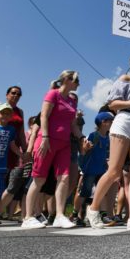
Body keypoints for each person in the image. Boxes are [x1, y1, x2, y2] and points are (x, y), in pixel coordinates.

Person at [86, 56, 130, 231]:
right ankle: (93, 208)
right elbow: (113, 104)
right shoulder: (124, 79)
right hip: (123, 120)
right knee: (114, 170)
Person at [22, 71, 82, 229]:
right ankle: (28, 217)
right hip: (46, 142)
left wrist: (82, 138)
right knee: (39, 178)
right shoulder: (52, 94)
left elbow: (73, 125)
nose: (78, 83)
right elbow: (44, 116)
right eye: (76, 80)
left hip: (64, 143)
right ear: (67, 80)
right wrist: (46, 138)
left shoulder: (72, 101)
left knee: (64, 178)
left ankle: (60, 215)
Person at [0, 86, 27, 219]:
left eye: (19, 94)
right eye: (13, 93)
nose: (16, 96)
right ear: (7, 94)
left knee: (2, 180)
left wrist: (25, 149)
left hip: (13, 149)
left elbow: (21, 131)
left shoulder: (20, 111)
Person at [71, 111, 114, 226]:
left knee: (102, 192)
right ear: (103, 122)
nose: (112, 123)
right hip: (90, 169)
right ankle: (74, 215)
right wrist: (86, 148)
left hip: (101, 169)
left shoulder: (108, 137)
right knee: (84, 192)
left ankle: (104, 215)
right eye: (111, 121)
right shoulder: (94, 135)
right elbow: (84, 150)